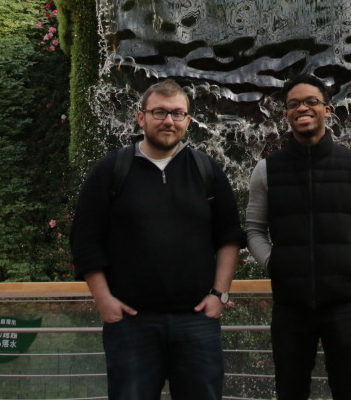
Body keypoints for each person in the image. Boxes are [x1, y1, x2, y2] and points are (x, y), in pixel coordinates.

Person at [70, 79, 244, 400]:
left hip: (196, 322)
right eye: (159, 112)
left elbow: (229, 235)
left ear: (188, 121)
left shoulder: (206, 170)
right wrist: (104, 301)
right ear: (141, 118)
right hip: (131, 323)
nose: (169, 121)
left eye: (177, 114)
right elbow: (85, 239)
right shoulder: (111, 170)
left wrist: (219, 294)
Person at [245, 74, 351, 400]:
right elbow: (253, 229)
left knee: (349, 392)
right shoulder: (266, 170)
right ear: (286, 114)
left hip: (343, 306)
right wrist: (273, 263)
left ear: (327, 110)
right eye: (293, 104)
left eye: (311, 101)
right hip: (290, 308)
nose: (302, 108)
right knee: (290, 392)